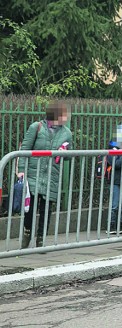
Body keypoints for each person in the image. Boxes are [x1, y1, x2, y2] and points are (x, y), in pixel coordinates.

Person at [17, 101, 73, 248]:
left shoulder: (66, 133)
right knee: (30, 208)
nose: (66, 117)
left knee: (46, 209)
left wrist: (65, 153)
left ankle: (41, 239)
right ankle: (27, 234)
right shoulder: (37, 127)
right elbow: (24, 149)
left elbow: (69, 155)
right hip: (33, 174)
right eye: (63, 114)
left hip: (51, 175)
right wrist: (21, 170)